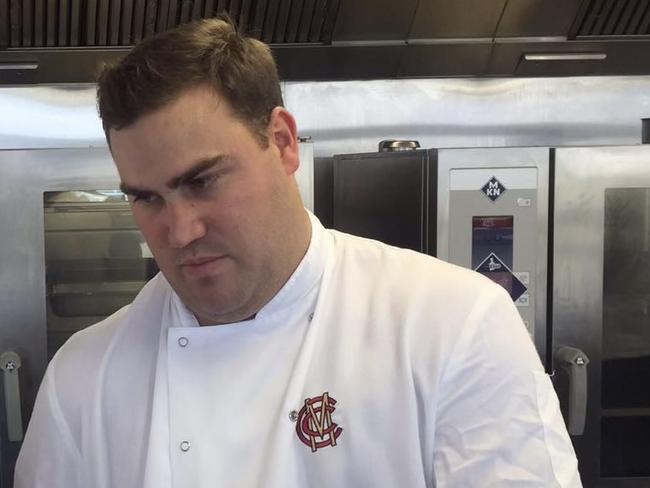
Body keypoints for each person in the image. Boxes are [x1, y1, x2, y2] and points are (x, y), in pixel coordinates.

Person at [15, 18, 582, 488]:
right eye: (146, 198)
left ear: (283, 142)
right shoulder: (82, 379)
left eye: (203, 181)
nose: (180, 231)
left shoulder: (453, 326)